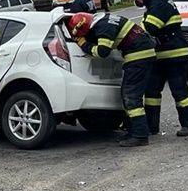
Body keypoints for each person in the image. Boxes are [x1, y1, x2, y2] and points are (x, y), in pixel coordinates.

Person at [66, 11, 156, 147]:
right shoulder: (105, 19)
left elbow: (102, 52)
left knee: (131, 97)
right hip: (142, 54)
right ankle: (133, 131)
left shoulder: (103, 27)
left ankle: (140, 135)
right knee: (128, 96)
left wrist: (83, 44)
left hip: (138, 57)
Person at [126, 0, 188, 137]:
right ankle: (152, 126)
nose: (136, 0)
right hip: (159, 55)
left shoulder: (160, 3)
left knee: (179, 91)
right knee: (151, 92)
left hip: (175, 54)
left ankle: (187, 125)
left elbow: (149, 27)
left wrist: (131, 35)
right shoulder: (154, 4)